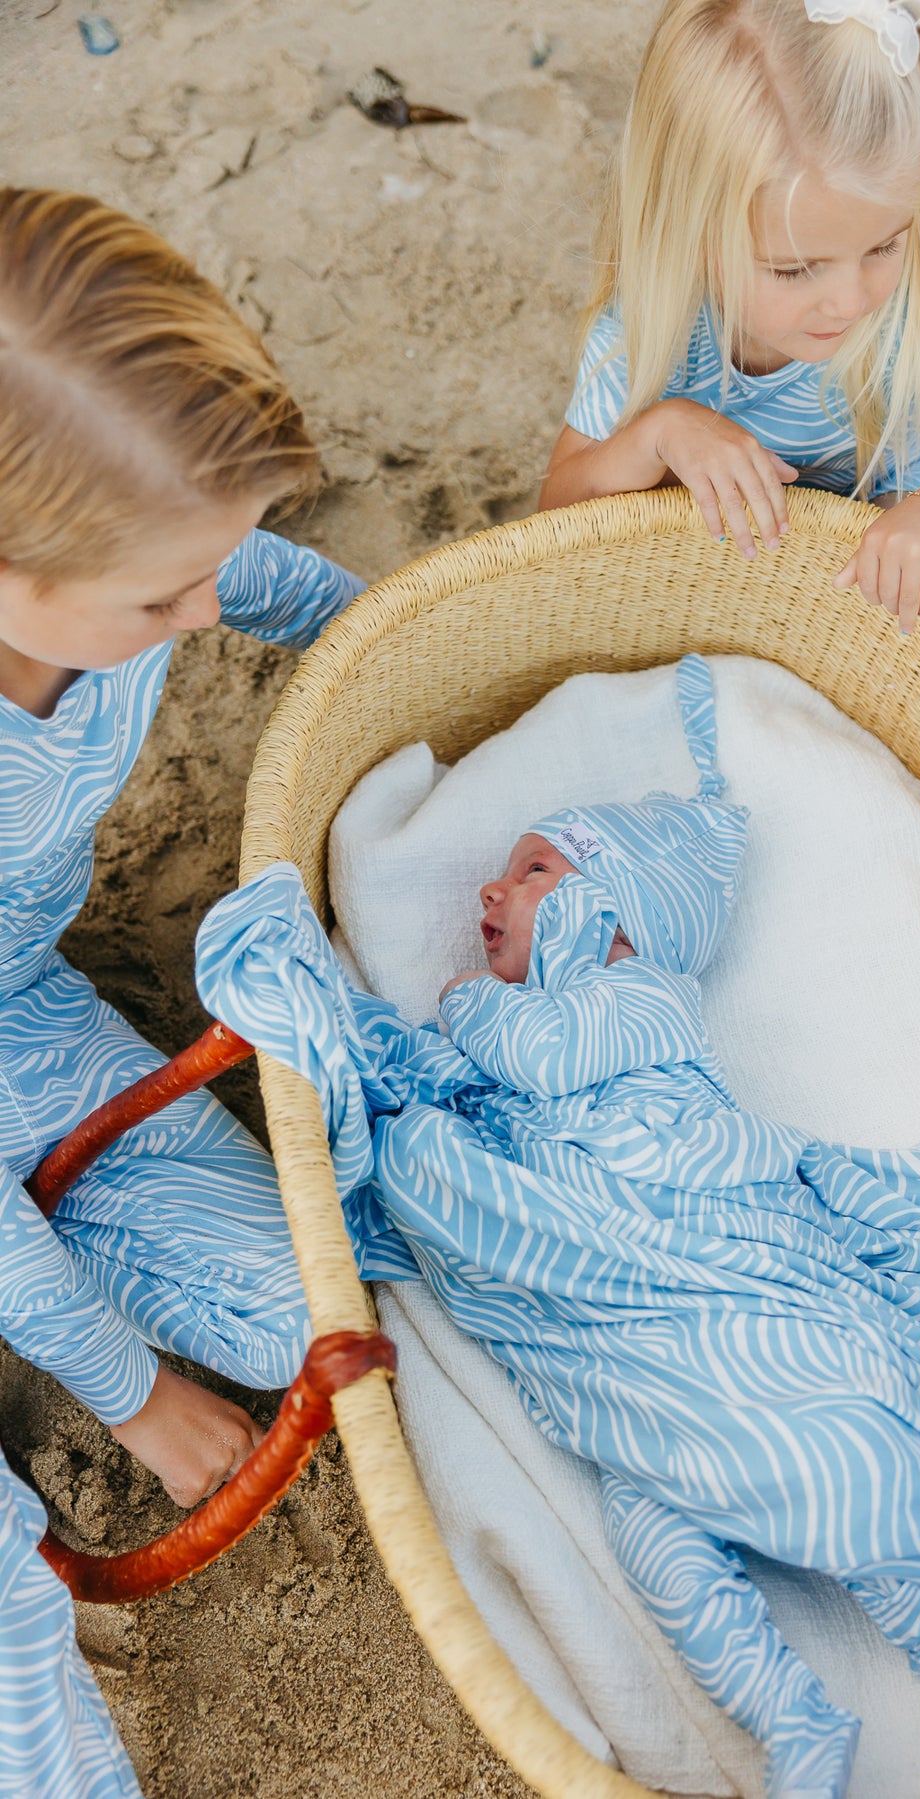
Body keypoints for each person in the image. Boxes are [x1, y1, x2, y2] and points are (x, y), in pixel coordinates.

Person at [199, 655, 920, 1799]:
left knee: (827, 1456)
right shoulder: (539, 1038)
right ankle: (793, 1712)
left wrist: (458, 1019)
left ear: (609, 912)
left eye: (530, 871)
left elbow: (541, 1054)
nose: (488, 893)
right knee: (658, 1539)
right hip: (632, 1375)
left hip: (734, 1306)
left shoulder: (640, 1003)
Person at [0, 187, 367, 1797]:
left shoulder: (135, 568)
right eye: (161, 601)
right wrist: (129, 1390)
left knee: (330, 1311)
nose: (202, 615)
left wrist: (417, 663)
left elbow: (278, 590)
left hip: (12, 1014)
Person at [539, 0, 920, 634]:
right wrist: (657, 432)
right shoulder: (646, 328)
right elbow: (553, 514)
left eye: (884, 245)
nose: (849, 302)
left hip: (889, 526)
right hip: (729, 541)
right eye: (794, 269)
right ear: (688, 231)